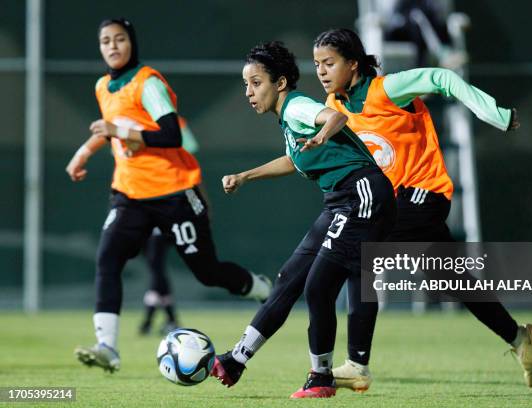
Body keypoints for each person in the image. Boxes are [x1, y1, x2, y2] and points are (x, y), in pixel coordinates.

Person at [312, 28, 532, 391]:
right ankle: (519, 338)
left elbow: (441, 77)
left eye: (329, 63)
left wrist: (493, 113)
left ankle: (357, 363)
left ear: (352, 64)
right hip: (398, 202)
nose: (321, 71)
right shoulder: (336, 107)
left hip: (423, 193)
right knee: (457, 282)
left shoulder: (385, 89)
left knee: (363, 251)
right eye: (317, 64)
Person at [65, 18, 271, 373]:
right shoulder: (103, 86)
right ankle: (108, 347)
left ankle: (260, 288)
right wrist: (84, 152)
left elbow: (171, 134)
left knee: (207, 271)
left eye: (119, 39)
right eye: (105, 41)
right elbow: (110, 127)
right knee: (108, 258)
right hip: (129, 193)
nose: (112, 46)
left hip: (174, 190)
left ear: (132, 42)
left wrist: (116, 130)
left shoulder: (148, 82)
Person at [212, 41, 396, 399]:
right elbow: (292, 160)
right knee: (288, 279)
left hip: (362, 193)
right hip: (340, 200)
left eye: (256, 83)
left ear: (280, 83)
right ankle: (237, 358)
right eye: (245, 86)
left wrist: (322, 133)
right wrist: (245, 176)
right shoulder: (287, 121)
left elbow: (335, 117)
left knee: (319, 285)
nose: (249, 92)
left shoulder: (297, 106)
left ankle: (322, 376)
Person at [138, 117, 200, 336]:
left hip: (166, 199)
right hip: (136, 200)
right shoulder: (128, 120)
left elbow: (188, 157)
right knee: (154, 265)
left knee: (155, 263)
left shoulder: (176, 124)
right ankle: (161, 318)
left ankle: (165, 318)